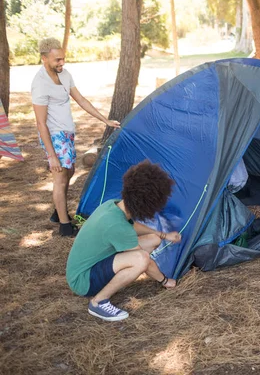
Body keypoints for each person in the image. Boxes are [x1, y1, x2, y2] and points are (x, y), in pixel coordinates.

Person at [66, 160, 182, 321]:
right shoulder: (116, 225)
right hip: (83, 282)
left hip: (90, 265)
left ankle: (118, 278)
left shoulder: (113, 206)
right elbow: (144, 260)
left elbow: (132, 226)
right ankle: (98, 302)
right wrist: (165, 280)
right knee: (141, 259)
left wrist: (163, 235)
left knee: (153, 239)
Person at [31, 37, 120, 237]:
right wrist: (52, 155)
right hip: (54, 135)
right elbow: (40, 123)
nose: (62, 63)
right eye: (57, 60)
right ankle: (64, 225)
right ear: (44, 59)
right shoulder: (40, 83)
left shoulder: (64, 74)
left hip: (67, 133)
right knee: (61, 177)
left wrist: (104, 120)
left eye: (63, 59)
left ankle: (57, 210)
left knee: (69, 172)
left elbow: (80, 99)